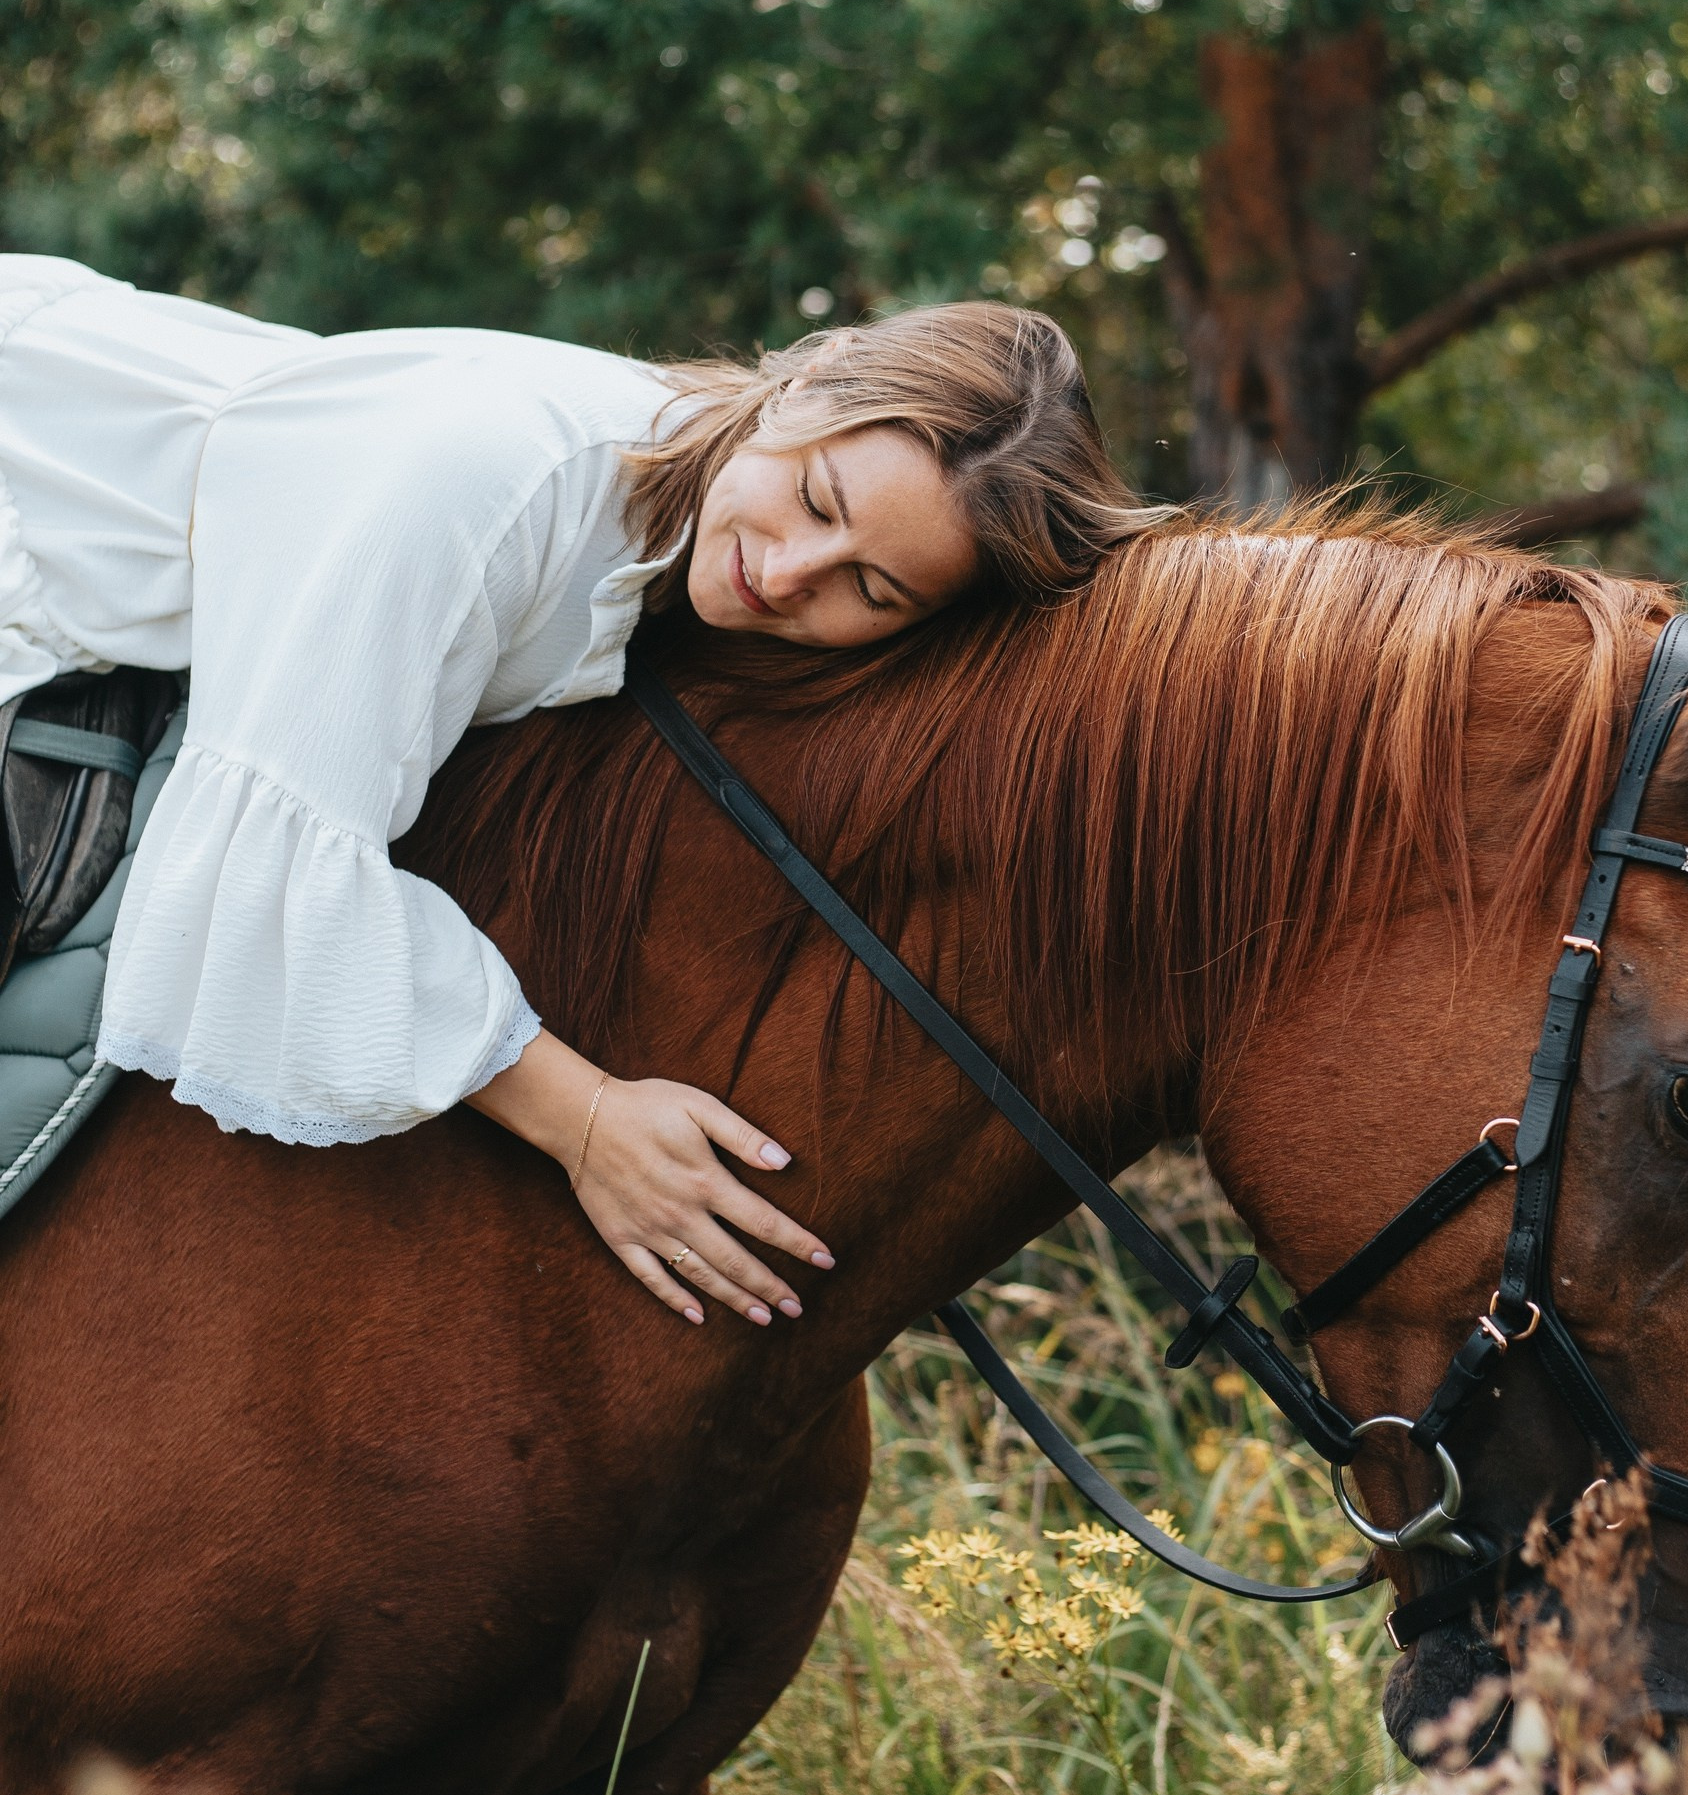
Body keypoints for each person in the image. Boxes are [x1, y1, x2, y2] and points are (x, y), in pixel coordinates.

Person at [0, 254, 1158, 1323]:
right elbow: (271, 874)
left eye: (870, 587)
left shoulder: (682, 532)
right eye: (815, 503)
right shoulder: (477, 480)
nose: (788, 574)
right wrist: (585, 1117)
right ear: (812, 379)